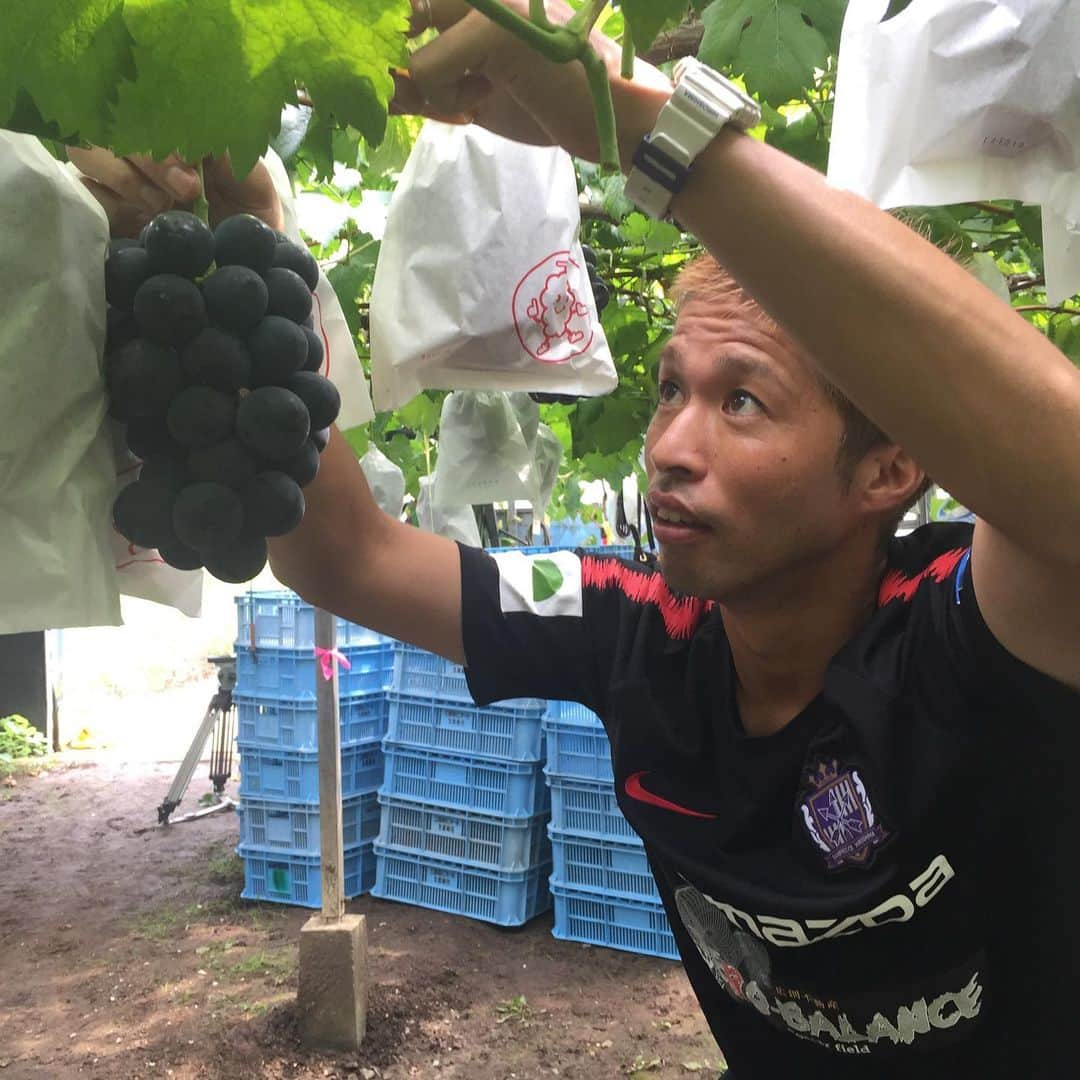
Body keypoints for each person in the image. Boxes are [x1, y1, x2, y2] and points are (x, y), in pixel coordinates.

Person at [77, 3, 1079, 1076]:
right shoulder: (633, 623)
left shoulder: (968, 633)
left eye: (743, 403)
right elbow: (344, 557)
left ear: (893, 467)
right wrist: (252, 232)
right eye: (669, 391)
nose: (671, 449)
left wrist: (628, 119)